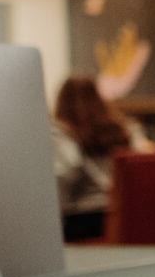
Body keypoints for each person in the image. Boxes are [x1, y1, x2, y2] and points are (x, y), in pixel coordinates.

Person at [49, 76, 143, 243]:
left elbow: (65, 175)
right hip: (124, 216)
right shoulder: (123, 131)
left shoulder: (63, 134)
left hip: (82, 221)